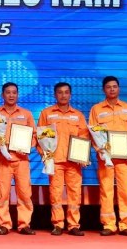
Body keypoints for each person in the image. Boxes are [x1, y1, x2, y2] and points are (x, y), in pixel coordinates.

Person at [89, 76, 127, 236]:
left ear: (119, 89)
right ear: (103, 90)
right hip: (105, 159)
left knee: (125, 191)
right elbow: (93, 132)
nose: (112, 89)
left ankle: (125, 225)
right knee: (106, 191)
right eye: (108, 87)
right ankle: (109, 224)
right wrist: (101, 151)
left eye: (115, 86)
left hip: (125, 158)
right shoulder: (96, 109)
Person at [37, 82, 89, 236]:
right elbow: (40, 136)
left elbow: (84, 136)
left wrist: (82, 155)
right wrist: (44, 155)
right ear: (55, 95)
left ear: (70, 95)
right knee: (55, 194)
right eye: (60, 92)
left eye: (66, 92)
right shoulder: (47, 113)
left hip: (74, 162)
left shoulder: (78, 115)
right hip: (55, 162)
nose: (63, 95)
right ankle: (57, 224)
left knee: (75, 194)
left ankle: (74, 225)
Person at [0, 82, 36, 235]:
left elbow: (34, 136)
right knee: (2, 194)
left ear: (18, 95)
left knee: (25, 193)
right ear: (2, 95)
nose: (11, 95)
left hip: (21, 161)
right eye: (8, 92)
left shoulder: (26, 114)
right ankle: (4, 224)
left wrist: (27, 148)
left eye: (14, 92)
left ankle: (24, 224)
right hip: (2, 160)